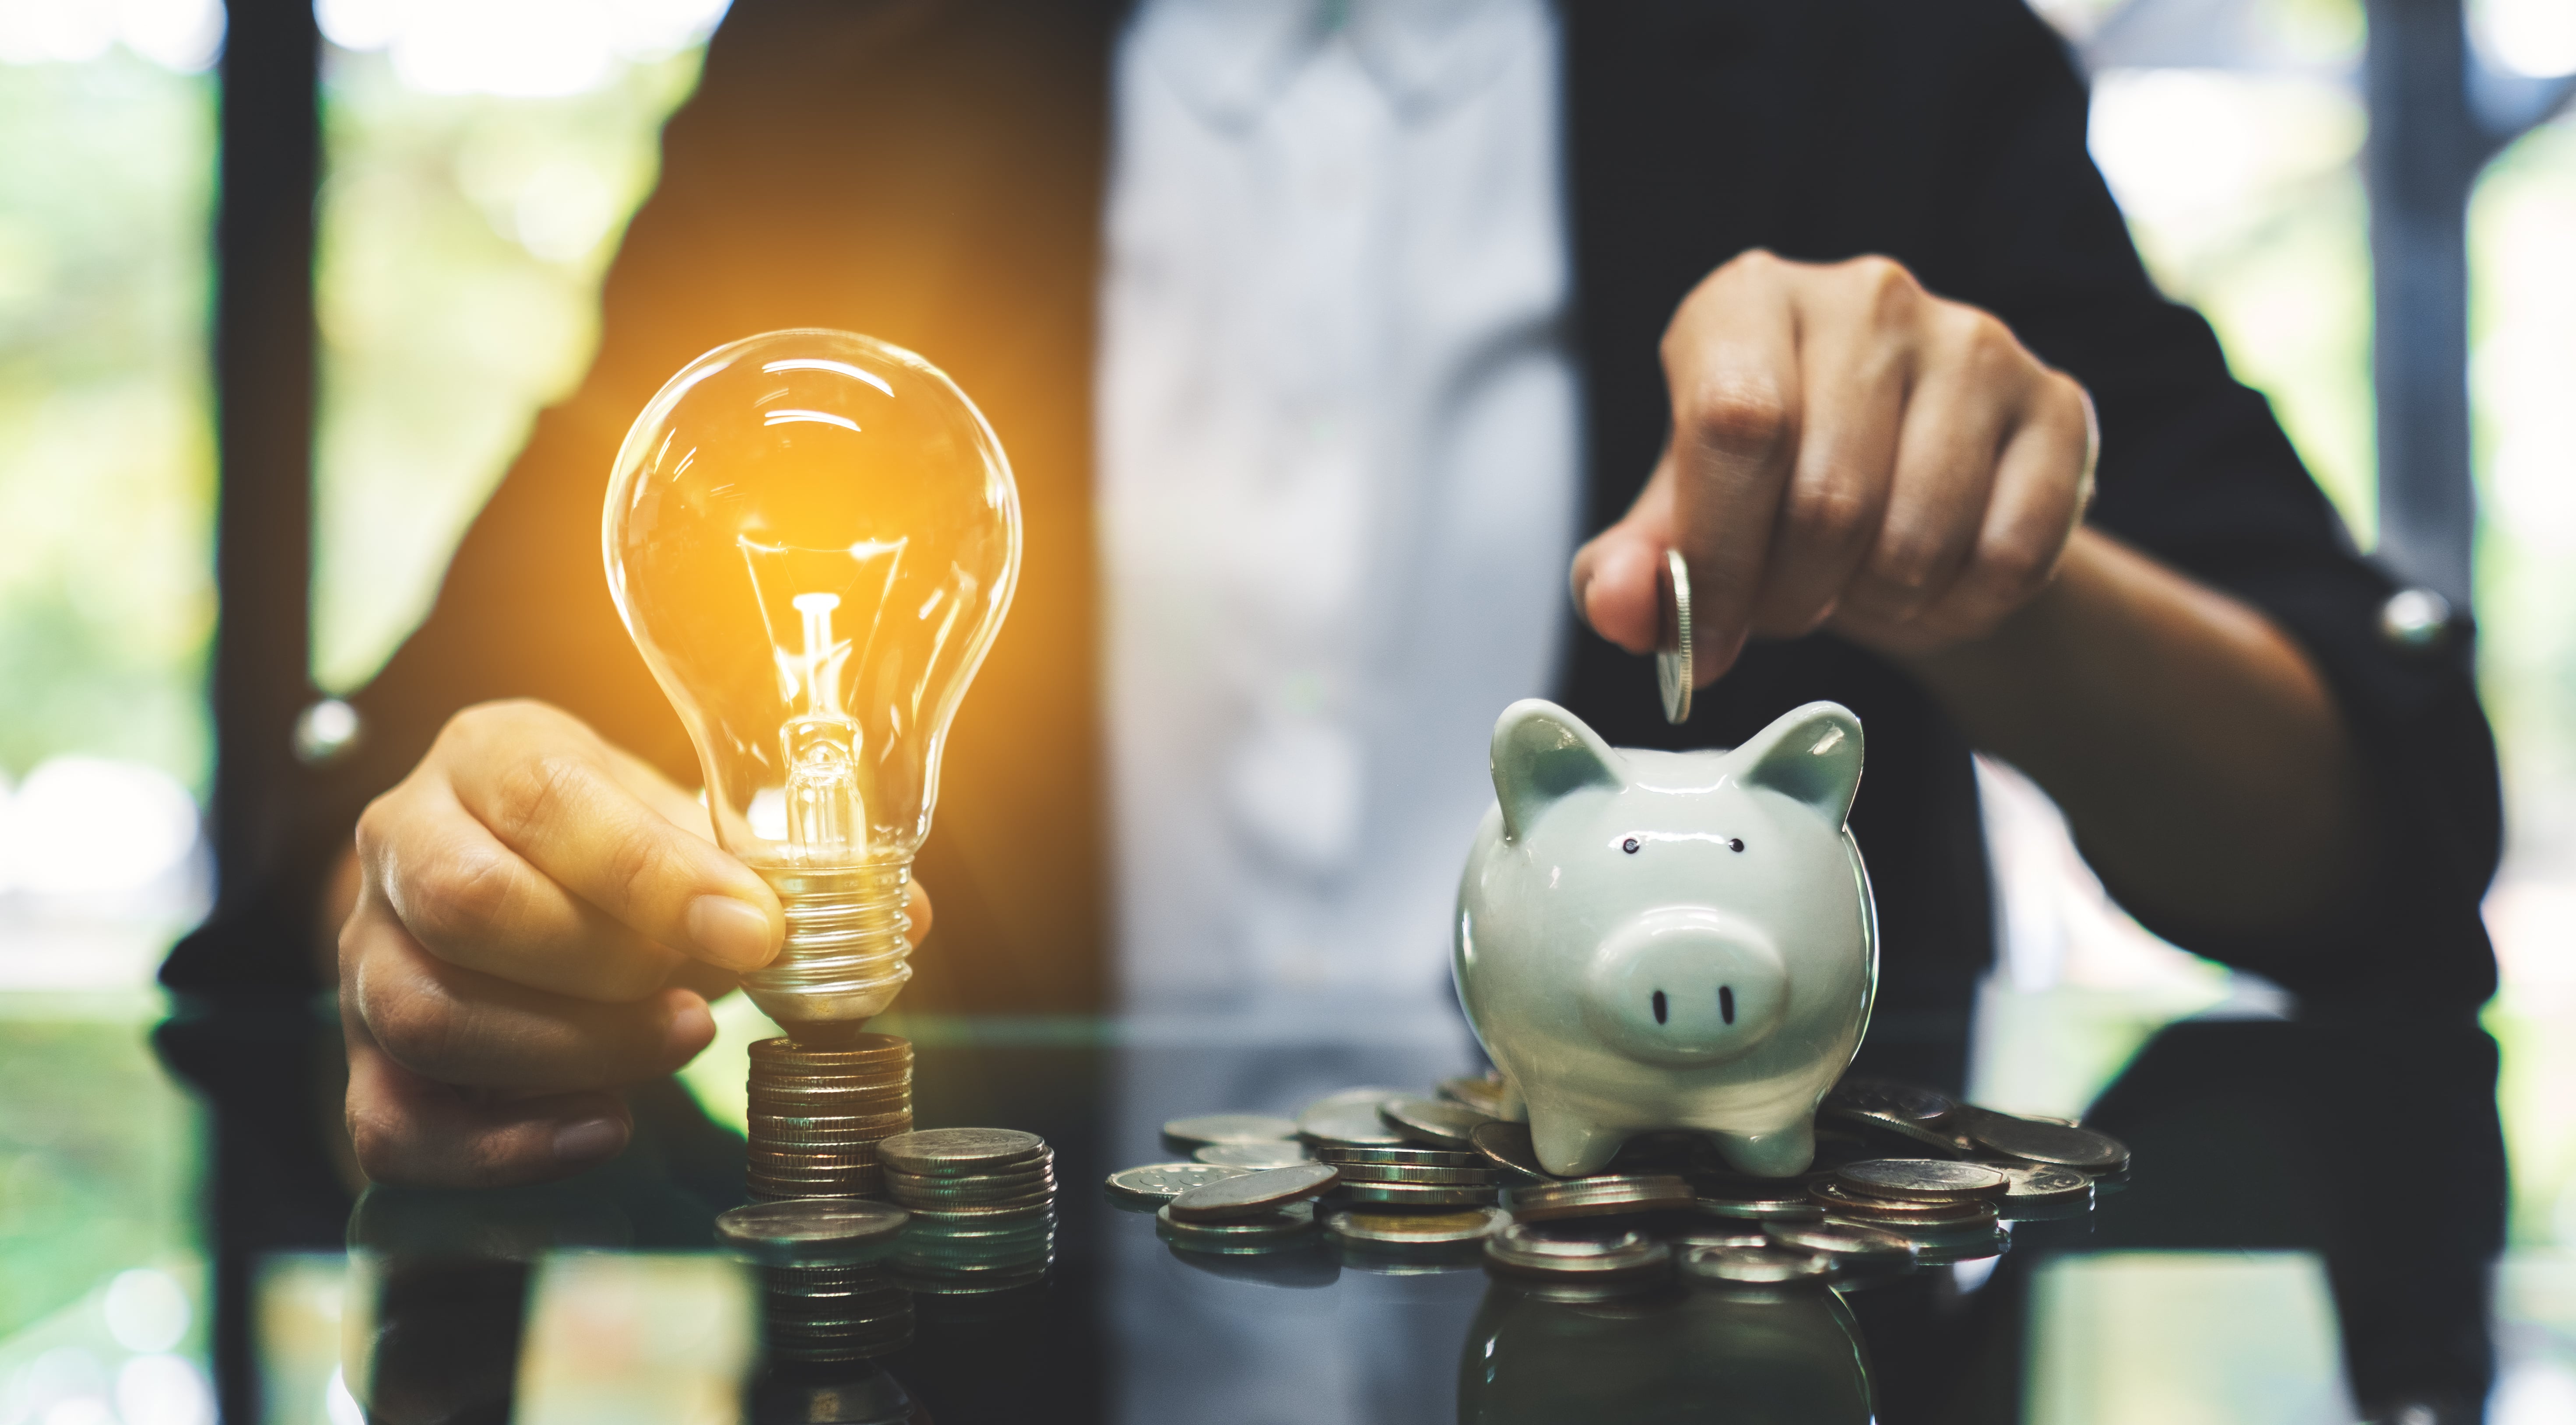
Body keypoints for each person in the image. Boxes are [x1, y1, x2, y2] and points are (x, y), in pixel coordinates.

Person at [165, 0, 2500, 1188]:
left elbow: (2377, 842)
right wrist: (461, 887)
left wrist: (1979, 572)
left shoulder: (1862, 44)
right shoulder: (852, 66)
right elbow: (401, 820)